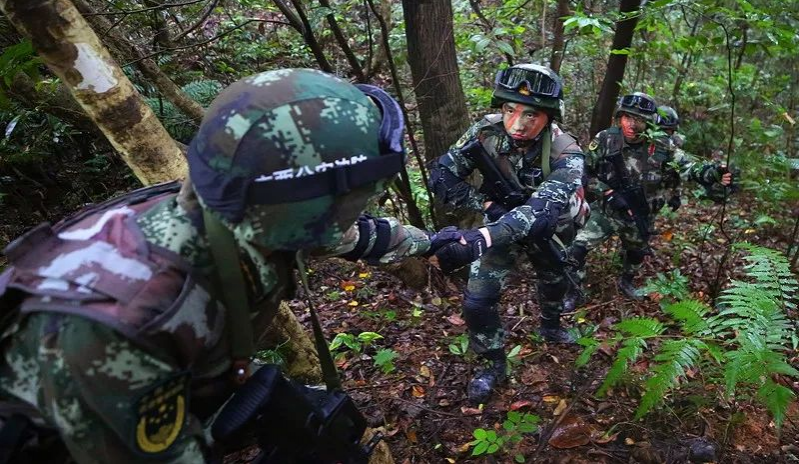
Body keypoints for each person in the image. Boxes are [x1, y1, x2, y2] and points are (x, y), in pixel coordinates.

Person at [0, 69, 465, 463]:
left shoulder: (244, 207)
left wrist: (433, 244)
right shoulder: (127, 322)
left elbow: (352, 235)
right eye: (362, 192)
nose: (366, 203)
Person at [428, 64, 588, 405]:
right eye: (509, 110)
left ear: (548, 116)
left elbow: (542, 211)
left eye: (531, 114)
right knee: (477, 300)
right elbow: (442, 176)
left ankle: (550, 325)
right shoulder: (485, 132)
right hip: (499, 224)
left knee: (554, 279)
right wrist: (485, 202)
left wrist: (482, 236)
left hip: (549, 229)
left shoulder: (567, 151)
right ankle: (493, 363)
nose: (517, 124)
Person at [569, 93, 734, 302]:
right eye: (627, 117)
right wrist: (608, 193)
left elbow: (688, 167)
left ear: (649, 123)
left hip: (639, 213)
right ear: (620, 117)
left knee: (636, 252)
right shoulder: (606, 139)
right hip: (607, 210)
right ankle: (575, 292)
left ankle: (627, 281)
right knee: (578, 247)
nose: (631, 124)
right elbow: (585, 173)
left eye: (638, 120)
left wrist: (713, 173)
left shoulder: (662, 145)